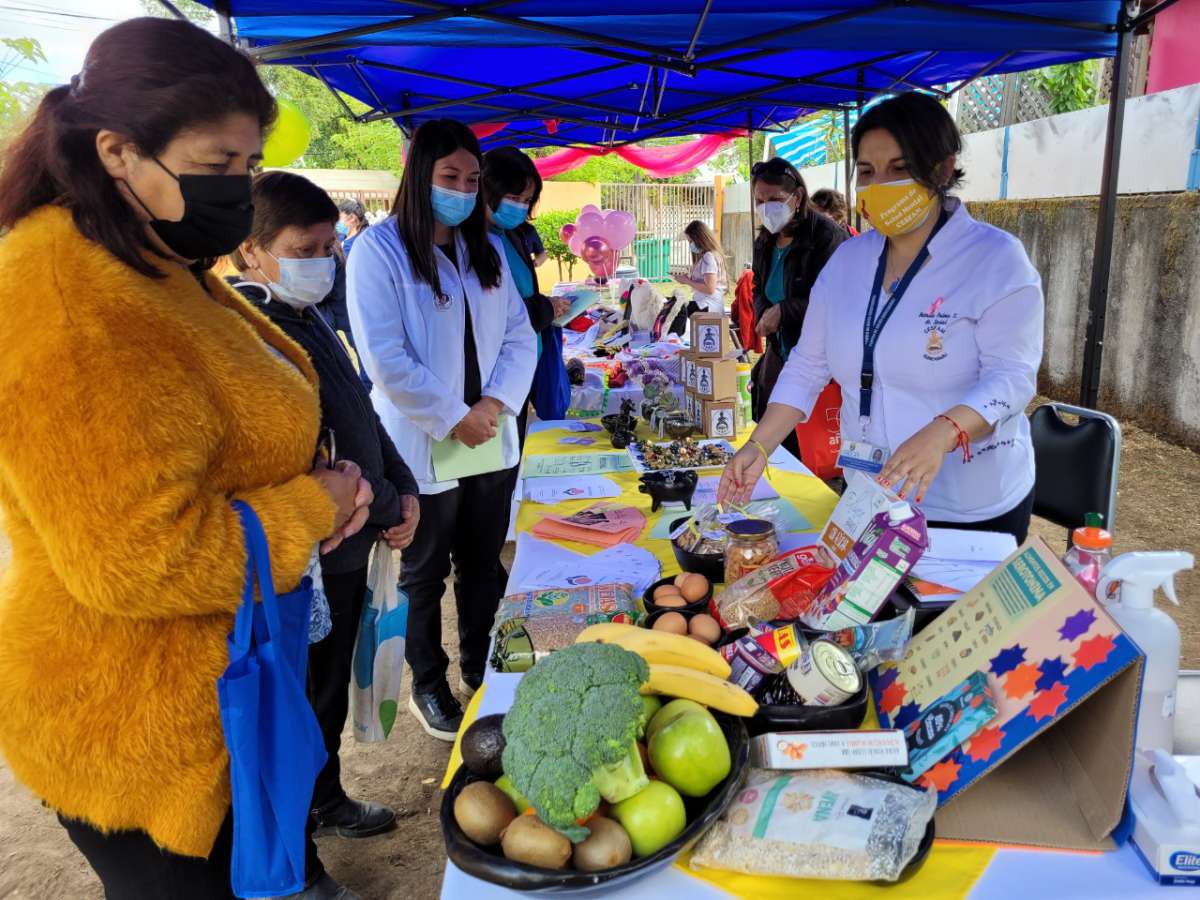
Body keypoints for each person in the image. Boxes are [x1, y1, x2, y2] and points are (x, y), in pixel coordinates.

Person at [0, 18, 373, 900]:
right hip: (136, 729)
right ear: (119, 152)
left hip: (225, 689)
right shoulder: (65, 299)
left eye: (247, 167)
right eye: (216, 167)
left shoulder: (154, 251)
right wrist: (313, 507)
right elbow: (141, 555)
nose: (239, 191)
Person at [720, 92, 1044, 543]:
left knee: (948, 615)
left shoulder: (996, 260)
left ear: (943, 169)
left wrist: (944, 431)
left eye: (900, 168)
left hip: (968, 505)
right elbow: (809, 364)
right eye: (868, 172)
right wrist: (760, 444)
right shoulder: (849, 262)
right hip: (870, 493)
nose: (881, 185)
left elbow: (1011, 377)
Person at [229, 170, 422, 842]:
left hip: (350, 546)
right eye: (302, 250)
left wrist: (403, 490)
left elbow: (359, 414)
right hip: (303, 561)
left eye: (326, 248)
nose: (321, 263)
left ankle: (324, 799)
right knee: (297, 706)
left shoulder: (308, 317)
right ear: (251, 250)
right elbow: (307, 461)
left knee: (326, 692)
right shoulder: (250, 331)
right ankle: (294, 853)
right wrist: (388, 501)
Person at [347, 119, 537, 740]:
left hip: (488, 437)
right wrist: (455, 414)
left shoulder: (481, 248)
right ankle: (428, 684)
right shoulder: (379, 251)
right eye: (449, 177)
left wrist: (493, 404)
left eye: (471, 179)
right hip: (425, 440)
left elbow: (518, 334)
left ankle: (482, 666)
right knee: (424, 573)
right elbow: (385, 357)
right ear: (418, 176)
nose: (461, 189)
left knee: (482, 564)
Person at [748, 157, 848, 460]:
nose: (767, 207)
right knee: (778, 438)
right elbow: (758, 286)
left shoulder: (827, 236)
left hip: (821, 359)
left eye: (775, 199)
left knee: (808, 445)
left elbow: (837, 298)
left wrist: (784, 310)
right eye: (760, 200)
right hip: (781, 351)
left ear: (797, 197)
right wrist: (764, 309)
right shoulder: (764, 241)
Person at [482, 145, 573, 442]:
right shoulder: (474, 244)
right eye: (512, 197)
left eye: (526, 200)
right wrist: (545, 308)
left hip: (522, 366)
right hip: (491, 380)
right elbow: (496, 314)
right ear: (487, 188)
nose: (520, 207)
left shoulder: (512, 235)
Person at [672, 220, 728, 313]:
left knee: (675, 309)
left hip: (708, 306)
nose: (690, 245)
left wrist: (687, 281)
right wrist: (688, 278)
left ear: (699, 239)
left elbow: (710, 289)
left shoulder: (709, 256)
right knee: (674, 305)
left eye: (691, 241)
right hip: (706, 304)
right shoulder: (708, 255)